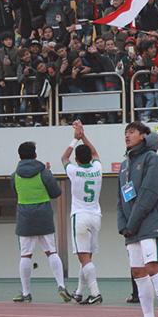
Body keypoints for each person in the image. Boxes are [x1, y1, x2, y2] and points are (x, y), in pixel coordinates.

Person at [117, 122, 158, 317]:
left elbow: (149, 195)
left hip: (151, 225)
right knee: (138, 272)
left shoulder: (152, 159)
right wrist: (122, 224)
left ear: (143, 136)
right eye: (125, 132)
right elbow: (120, 199)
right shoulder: (124, 165)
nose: (127, 135)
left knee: (153, 268)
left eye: (132, 132)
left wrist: (131, 222)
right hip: (132, 228)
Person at [12, 141, 72, 304]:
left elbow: (15, 192)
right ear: (35, 155)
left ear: (20, 156)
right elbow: (56, 192)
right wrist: (49, 173)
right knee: (51, 252)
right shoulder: (43, 172)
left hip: (24, 216)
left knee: (25, 255)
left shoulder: (15, 175)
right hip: (43, 215)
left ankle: (26, 293)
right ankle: (61, 286)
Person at [61, 121, 103, 305]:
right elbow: (94, 153)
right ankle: (79, 292)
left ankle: (95, 292)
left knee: (83, 257)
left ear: (77, 160)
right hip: (95, 216)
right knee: (86, 257)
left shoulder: (74, 171)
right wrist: (84, 136)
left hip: (80, 216)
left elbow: (63, 158)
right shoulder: (97, 169)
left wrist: (74, 139)